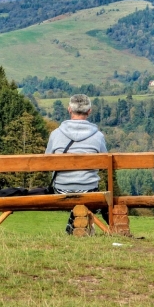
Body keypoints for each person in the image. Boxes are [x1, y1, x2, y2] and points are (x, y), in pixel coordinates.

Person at [45, 94, 107, 234]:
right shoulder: (98, 136)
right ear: (89, 111)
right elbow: (104, 164)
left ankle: (76, 227)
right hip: (89, 190)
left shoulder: (55, 134)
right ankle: (83, 227)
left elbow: (46, 162)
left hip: (60, 190)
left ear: (69, 110)